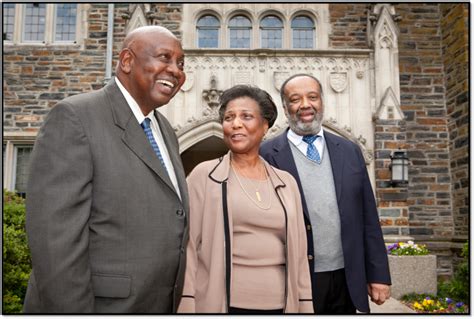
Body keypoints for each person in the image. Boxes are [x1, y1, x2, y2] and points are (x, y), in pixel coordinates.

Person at [23, 26, 189, 313]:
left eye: (181, 64)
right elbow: (56, 245)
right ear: (126, 61)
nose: (175, 71)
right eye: (164, 58)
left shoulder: (165, 131)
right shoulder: (75, 117)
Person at [260, 74, 391, 314]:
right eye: (295, 99)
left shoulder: (350, 150)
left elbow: (368, 217)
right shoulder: (267, 154)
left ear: (322, 101)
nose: (305, 105)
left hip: (346, 276)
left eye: (312, 97)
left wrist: (378, 274)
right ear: (285, 107)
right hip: (296, 277)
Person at [177, 85, 313, 314]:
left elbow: (299, 253)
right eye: (229, 117)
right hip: (223, 305)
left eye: (246, 116)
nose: (235, 123)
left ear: (265, 126)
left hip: (281, 305)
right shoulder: (205, 175)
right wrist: (187, 299)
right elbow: (188, 245)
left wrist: (305, 303)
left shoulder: (286, 182)